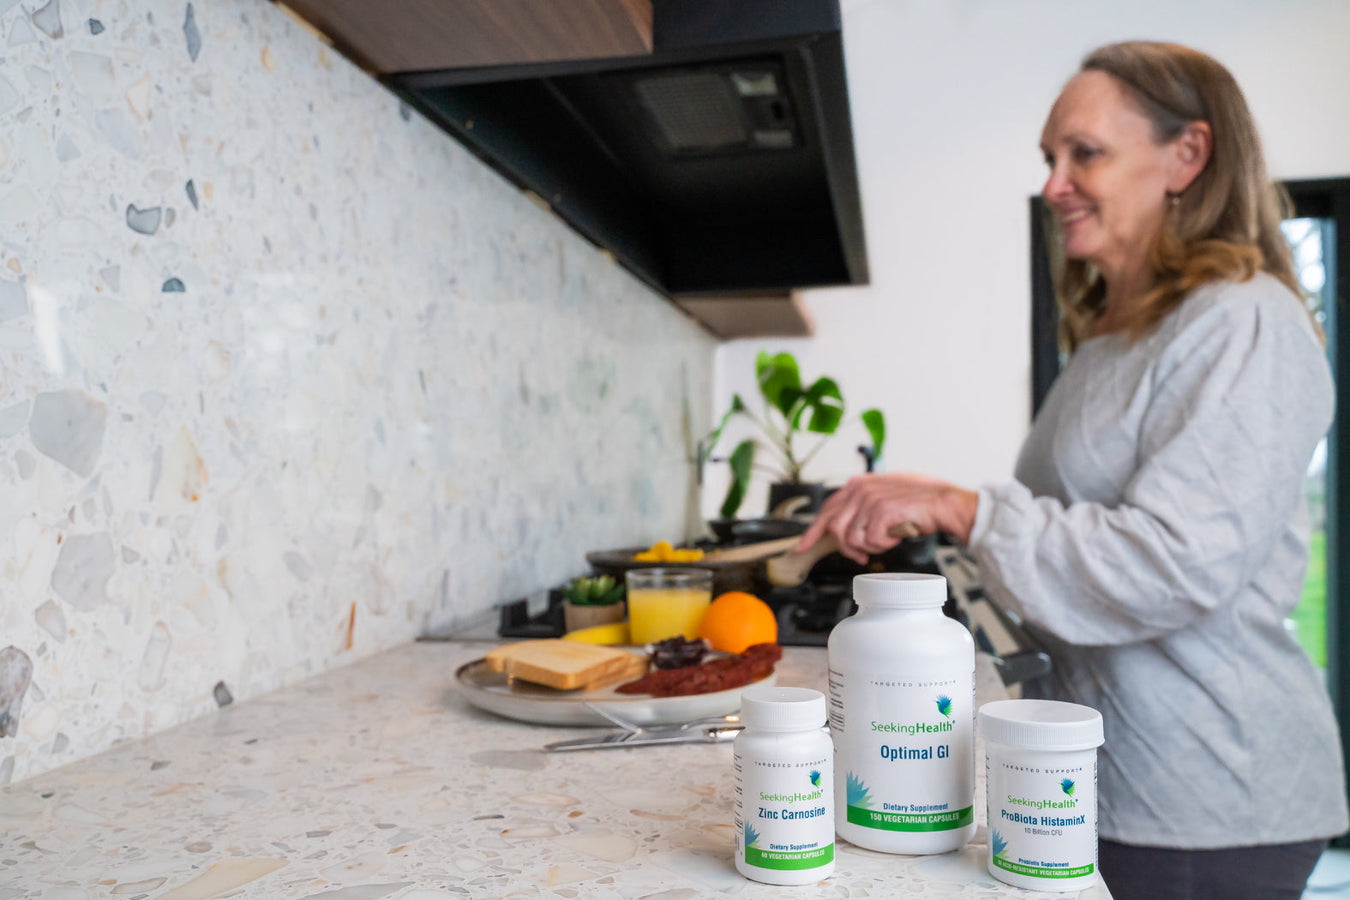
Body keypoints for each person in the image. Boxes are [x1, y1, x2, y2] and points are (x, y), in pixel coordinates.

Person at [796, 40, 1348, 900]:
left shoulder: (1243, 321)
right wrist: (937, 516)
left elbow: (1175, 561)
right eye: (1050, 158)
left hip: (1206, 798)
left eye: (1083, 153)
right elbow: (1075, 533)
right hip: (1101, 777)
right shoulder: (1111, 337)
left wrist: (966, 509)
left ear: (1187, 156)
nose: (1054, 183)